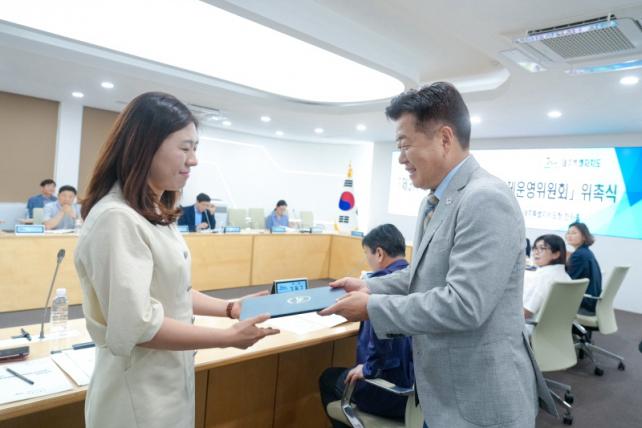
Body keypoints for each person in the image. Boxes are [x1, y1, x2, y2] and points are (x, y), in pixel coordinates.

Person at [320, 82, 548, 428]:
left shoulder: (485, 198)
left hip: (479, 399)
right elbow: (424, 275)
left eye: (404, 145)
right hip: (441, 394)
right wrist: (370, 286)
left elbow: (465, 304)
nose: (400, 158)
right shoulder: (435, 200)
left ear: (444, 138)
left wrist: (372, 307)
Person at [74, 92, 279, 428]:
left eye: (195, 148)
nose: (194, 160)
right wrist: (227, 338)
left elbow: (171, 291)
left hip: (168, 382)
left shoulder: (152, 210)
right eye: (185, 148)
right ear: (144, 146)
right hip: (137, 397)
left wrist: (230, 308)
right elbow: (138, 322)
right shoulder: (116, 218)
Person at [319, 224, 414, 426]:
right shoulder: (416, 280)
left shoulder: (376, 288)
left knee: (328, 378)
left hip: (388, 394)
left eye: (366, 254)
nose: (367, 261)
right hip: (416, 396)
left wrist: (368, 369)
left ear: (379, 253)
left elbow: (382, 344)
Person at [523, 235, 571, 320]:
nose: (536, 252)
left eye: (542, 248)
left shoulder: (542, 277)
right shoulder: (566, 276)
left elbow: (525, 313)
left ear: (556, 254)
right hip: (557, 326)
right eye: (535, 248)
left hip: (532, 325)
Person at [566, 222, 602, 314]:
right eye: (568, 233)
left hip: (584, 303)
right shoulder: (585, 252)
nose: (569, 235)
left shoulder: (579, 255)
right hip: (593, 300)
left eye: (574, 233)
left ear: (584, 237)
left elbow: (567, 281)